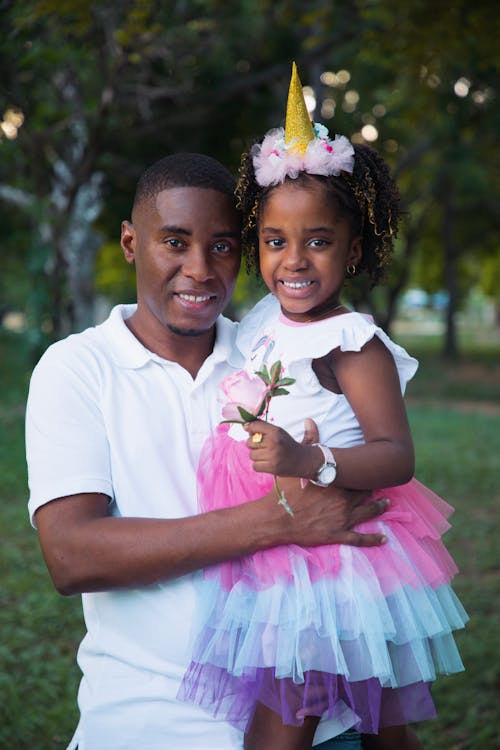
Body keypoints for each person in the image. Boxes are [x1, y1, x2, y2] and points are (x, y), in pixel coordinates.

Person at [25, 151, 391, 750]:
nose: (199, 268)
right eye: (174, 242)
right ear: (129, 242)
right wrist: (278, 522)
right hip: (150, 721)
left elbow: (359, 519)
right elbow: (71, 556)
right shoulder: (78, 368)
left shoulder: (277, 353)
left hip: (313, 719)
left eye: (222, 246)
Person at [177, 64, 468, 750]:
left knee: (311, 725)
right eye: (276, 241)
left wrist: (311, 459)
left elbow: (397, 456)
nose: (294, 261)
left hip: (333, 560)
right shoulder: (258, 324)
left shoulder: (352, 343)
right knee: (367, 719)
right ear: (257, 246)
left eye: (319, 241)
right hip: (273, 539)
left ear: (355, 248)